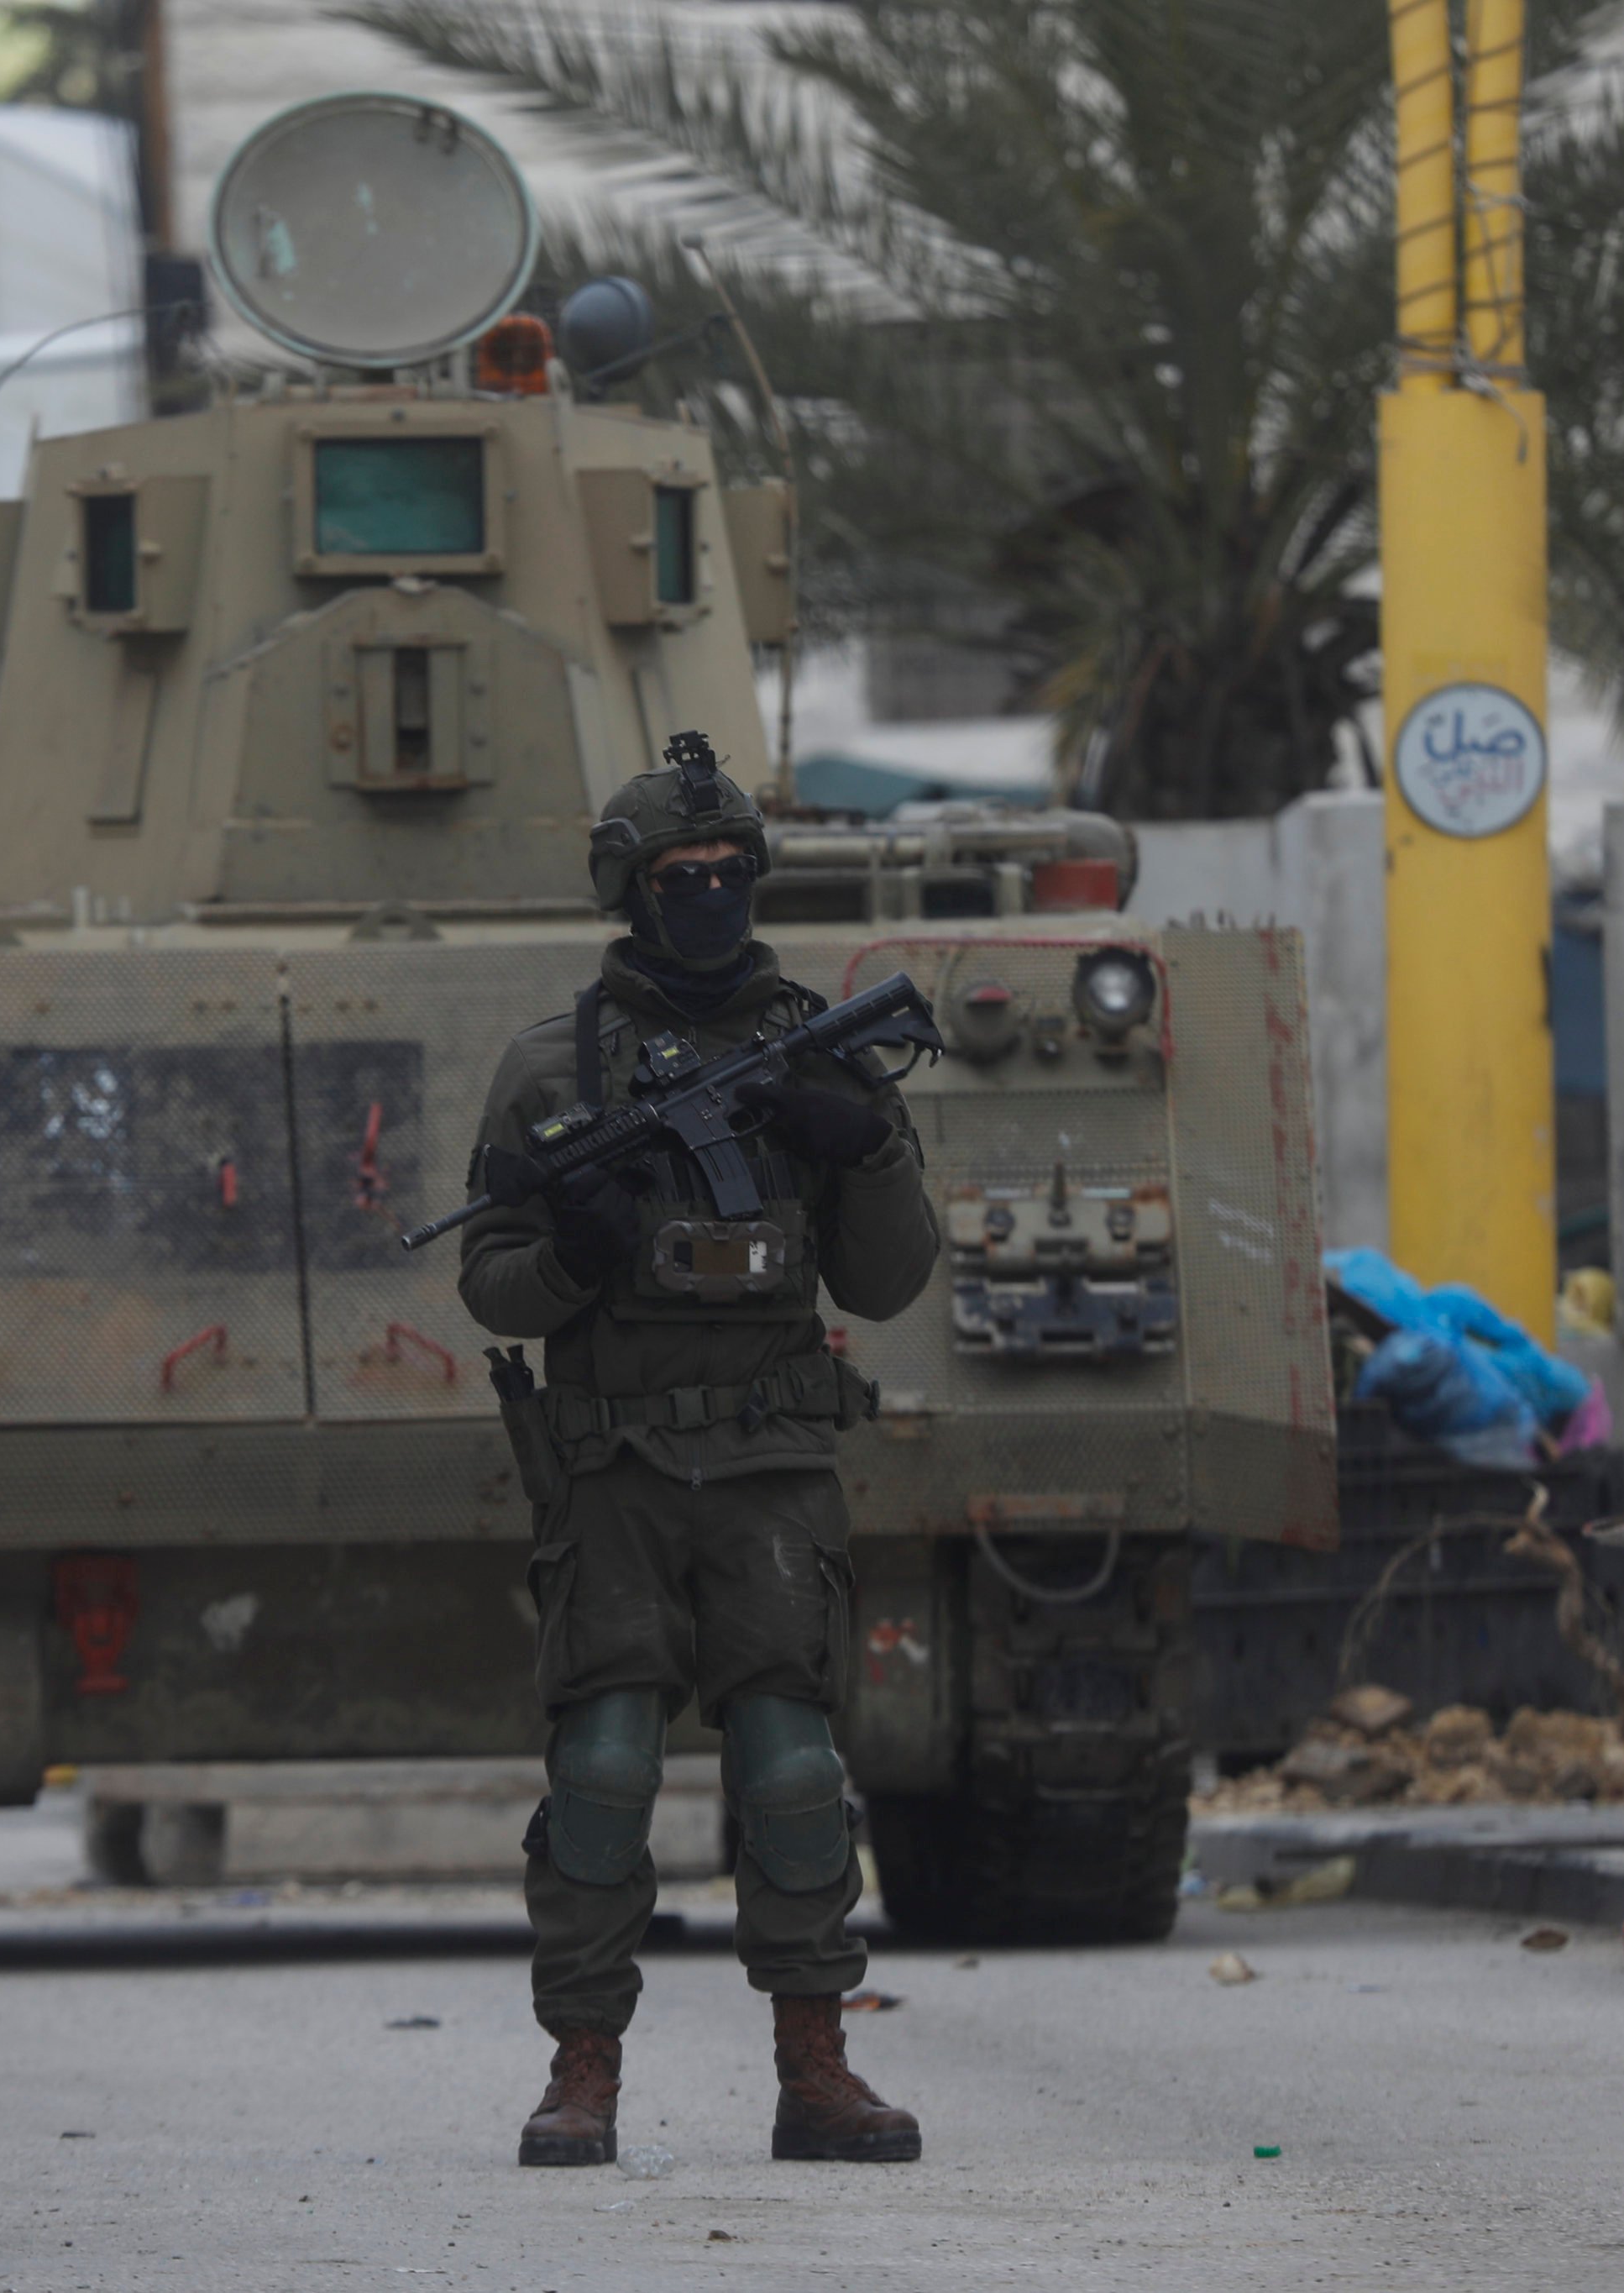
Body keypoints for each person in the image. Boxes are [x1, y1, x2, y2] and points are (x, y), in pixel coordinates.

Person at [458, 730, 941, 2169]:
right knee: (603, 1764)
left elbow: (889, 1281)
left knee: (793, 1767)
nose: (713, 894)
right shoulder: (552, 1068)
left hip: (774, 1464)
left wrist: (860, 1144)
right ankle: (583, 2066)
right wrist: (577, 1259)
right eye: (682, 874)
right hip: (612, 1472)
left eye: (734, 870)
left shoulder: (822, 1041)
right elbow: (490, 1278)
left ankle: (816, 2064)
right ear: (631, 888)